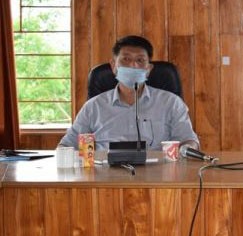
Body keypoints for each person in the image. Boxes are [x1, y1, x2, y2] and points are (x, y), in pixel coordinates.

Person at [59, 35, 199, 151]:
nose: (133, 65)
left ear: (149, 69)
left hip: (156, 178)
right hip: (104, 178)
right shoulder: (93, 107)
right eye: (126, 59)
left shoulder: (171, 103)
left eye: (140, 60)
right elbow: (67, 145)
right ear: (114, 66)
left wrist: (186, 150)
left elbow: (189, 140)